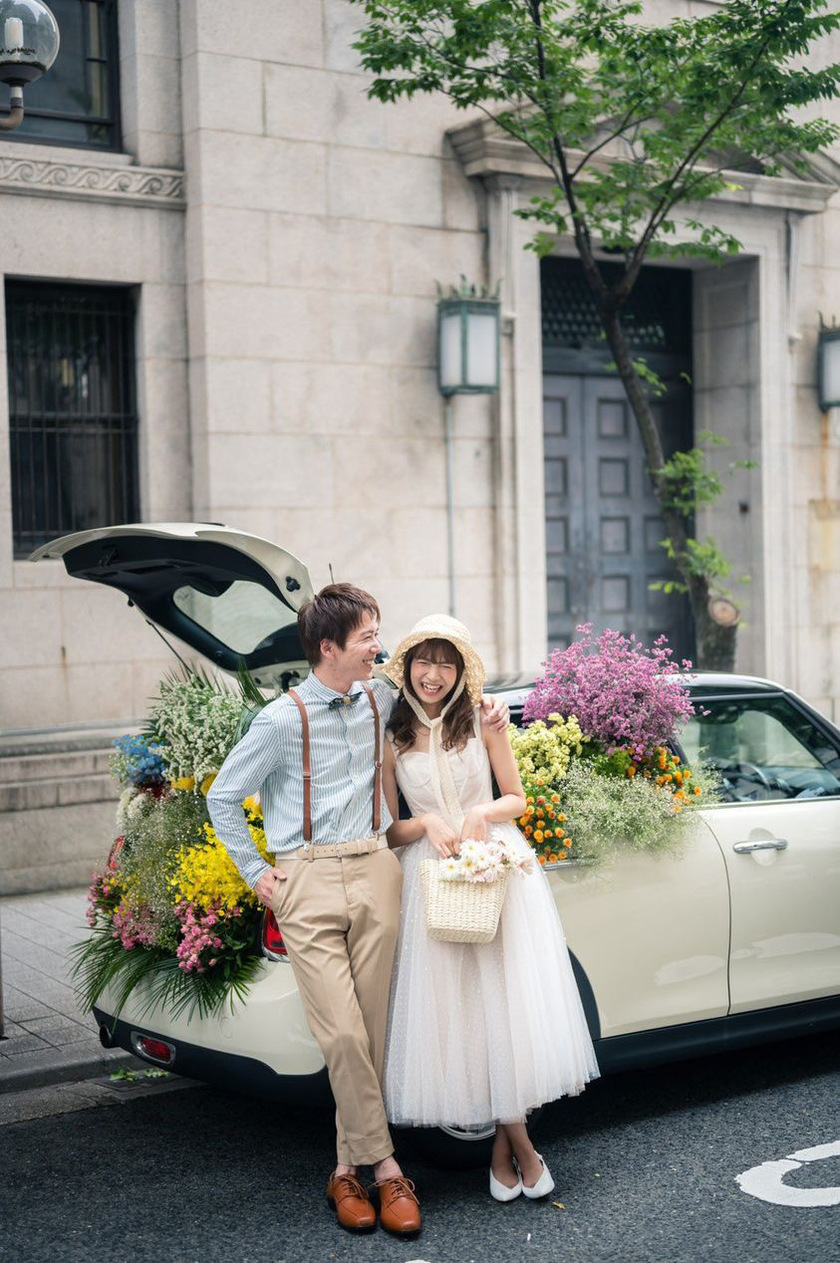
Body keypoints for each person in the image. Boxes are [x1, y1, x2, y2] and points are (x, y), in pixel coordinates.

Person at [206, 585, 509, 1237]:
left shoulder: (380, 698)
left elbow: (440, 696)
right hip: (308, 881)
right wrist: (257, 872)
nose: (381, 646)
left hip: (378, 867)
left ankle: (346, 1170)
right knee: (340, 1032)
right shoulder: (281, 720)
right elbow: (223, 796)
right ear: (328, 647)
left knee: (369, 1033)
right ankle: (389, 1164)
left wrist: (490, 714)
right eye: (370, 636)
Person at [379, 615, 599, 1202]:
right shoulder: (392, 733)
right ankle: (521, 1149)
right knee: (463, 1016)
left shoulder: (484, 717)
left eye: (446, 662)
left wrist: (482, 815)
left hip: (497, 865)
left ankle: (507, 1149)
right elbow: (387, 830)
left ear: (461, 670)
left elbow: (518, 798)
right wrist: (424, 821)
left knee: (505, 1008)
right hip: (430, 873)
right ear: (406, 667)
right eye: (424, 661)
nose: (434, 674)